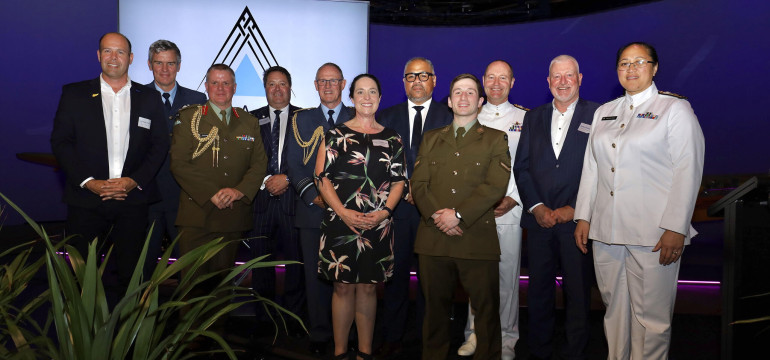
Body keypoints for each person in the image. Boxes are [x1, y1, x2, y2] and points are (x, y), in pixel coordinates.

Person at [573, 42, 705, 360]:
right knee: (614, 312)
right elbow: (592, 169)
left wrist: (676, 226)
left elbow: (688, 169)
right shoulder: (604, 112)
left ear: (655, 68)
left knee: (651, 319)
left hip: (654, 234)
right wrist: (583, 217)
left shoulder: (675, 110)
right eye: (624, 63)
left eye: (639, 62)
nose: (631, 69)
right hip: (606, 232)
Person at [50, 32, 168, 300]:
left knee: (132, 277)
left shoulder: (148, 98)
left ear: (131, 58)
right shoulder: (74, 94)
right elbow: (61, 142)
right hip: (86, 202)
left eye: (120, 52)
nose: (113, 58)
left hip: (132, 202)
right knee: (83, 278)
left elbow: (159, 146)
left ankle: (128, 337)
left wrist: (133, 180)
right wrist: (89, 182)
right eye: (107, 51)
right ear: (98, 55)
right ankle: (84, 338)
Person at [411, 74, 510, 360]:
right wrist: (439, 217)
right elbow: (419, 184)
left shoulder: (495, 139)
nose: (463, 98)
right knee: (434, 313)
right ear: (450, 101)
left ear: (480, 101)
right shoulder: (431, 138)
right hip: (434, 239)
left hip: (476, 238)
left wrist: (458, 216)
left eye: (470, 93)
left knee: (486, 313)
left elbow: (495, 187)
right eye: (457, 92)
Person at [314, 73, 407, 360]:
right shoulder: (334, 134)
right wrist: (342, 212)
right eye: (360, 92)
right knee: (342, 287)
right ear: (351, 97)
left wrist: (384, 213)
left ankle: (364, 353)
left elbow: (399, 181)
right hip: (340, 222)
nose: (367, 97)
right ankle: (341, 352)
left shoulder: (393, 138)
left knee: (368, 288)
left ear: (380, 98)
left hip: (378, 225)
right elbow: (321, 177)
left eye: (373, 92)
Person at [513, 55, 600, 360]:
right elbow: (521, 168)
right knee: (538, 292)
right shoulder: (532, 117)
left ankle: (575, 352)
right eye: (556, 77)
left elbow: (601, 168)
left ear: (580, 79)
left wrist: (574, 209)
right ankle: (540, 350)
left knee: (577, 293)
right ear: (548, 82)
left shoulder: (599, 115)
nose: (563, 82)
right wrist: (536, 207)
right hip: (539, 222)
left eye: (569, 76)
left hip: (577, 223)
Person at [169, 64, 267, 327]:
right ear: (206, 87)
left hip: (232, 214)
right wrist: (210, 193)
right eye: (215, 83)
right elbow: (179, 164)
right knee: (192, 283)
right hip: (197, 215)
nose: (221, 88)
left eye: (226, 83)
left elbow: (259, 165)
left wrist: (238, 191)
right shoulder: (189, 118)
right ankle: (188, 340)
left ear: (235, 88)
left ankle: (218, 338)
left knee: (222, 286)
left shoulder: (248, 121)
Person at [377, 56, 452, 357]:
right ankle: (393, 336)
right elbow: (378, 162)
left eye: (423, 75)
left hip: (434, 210)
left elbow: (454, 164)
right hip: (397, 211)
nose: (417, 81)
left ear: (435, 80)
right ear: (403, 82)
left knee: (432, 281)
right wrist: (403, 187)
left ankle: (429, 339)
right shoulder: (387, 116)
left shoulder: (449, 116)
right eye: (411, 76)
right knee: (394, 279)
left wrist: (422, 191)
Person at [456, 60, 526, 360]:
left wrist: (513, 197)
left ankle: (506, 340)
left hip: (508, 212)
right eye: (491, 77)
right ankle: (473, 335)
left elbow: (528, 166)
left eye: (504, 78)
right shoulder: (468, 115)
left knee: (507, 281)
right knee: (475, 280)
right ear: (483, 81)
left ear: (512, 82)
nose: (497, 83)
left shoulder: (526, 118)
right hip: (474, 214)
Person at [286, 62, 352, 357]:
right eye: (322, 81)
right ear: (315, 85)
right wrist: (315, 197)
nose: (327, 86)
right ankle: (320, 332)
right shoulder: (301, 119)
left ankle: (346, 333)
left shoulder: (358, 115)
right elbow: (293, 163)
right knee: (315, 278)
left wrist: (343, 203)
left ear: (343, 83)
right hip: (313, 210)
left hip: (351, 213)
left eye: (333, 81)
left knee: (347, 277)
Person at [145, 39, 207, 277]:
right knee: (145, 266)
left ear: (179, 66)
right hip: (148, 195)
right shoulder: (137, 96)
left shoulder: (198, 100)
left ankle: (190, 314)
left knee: (190, 268)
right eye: (159, 63)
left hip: (185, 197)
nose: (164, 69)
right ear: (150, 64)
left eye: (170, 63)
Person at [247, 65, 304, 325]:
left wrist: (288, 179)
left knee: (296, 265)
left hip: (295, 202)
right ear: (265, 88)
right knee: (261, 266)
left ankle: (293, 319)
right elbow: (243, 160)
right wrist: (265, 180)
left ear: (290, 88)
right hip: (260, 203)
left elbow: (311, 159)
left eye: (282, 84)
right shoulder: (250, 119)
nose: (277, 89)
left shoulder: (305, 119)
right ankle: (264, 319)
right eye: (272, 84)